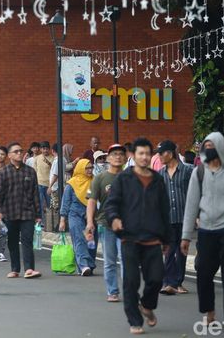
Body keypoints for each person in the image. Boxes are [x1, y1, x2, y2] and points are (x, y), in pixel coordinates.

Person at [104, 137, 172, 335]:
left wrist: (167, 238)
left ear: (152, 156)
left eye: (147, 154)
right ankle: (135, 320)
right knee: (131, 282)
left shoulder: (158, 180)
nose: (144, 157)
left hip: (153, 239)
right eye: (140, 154)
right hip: (130, 239)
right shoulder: (124, 179)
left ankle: (147, 305)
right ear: (133, 156)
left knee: (156, 279)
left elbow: (164, 210)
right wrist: (114, 219)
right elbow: (112, 205)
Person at [181, 132, 224, 328]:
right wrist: (185, 236)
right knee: (203, 273)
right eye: (205, 147)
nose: (207, 150)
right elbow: (191, 204)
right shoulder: (198, 173)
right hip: (206, 231)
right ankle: (209, 310)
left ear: (220, 147)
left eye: (211, 146)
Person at [0, 142, 42, 279]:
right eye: (16, 151)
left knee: (27, 241)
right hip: (9, 213)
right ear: (9, 155)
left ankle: (29, 269)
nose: (19, 153)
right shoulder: (3, 173)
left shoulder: (30, 171)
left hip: (27, 213)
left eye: (21, 151)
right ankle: (15, 269)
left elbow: (35, 194)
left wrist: (38, 214)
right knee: (12, 242)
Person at [87, 143, 127, 302]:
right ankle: (113, 291)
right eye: (114, 154)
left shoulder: (129, 177)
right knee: (110, 261)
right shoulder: (100, 178)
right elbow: (91, 201)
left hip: (126, 226)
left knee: (126, 260)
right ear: (108, 158)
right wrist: (90, 222)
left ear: (125, 158)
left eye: (121, 154)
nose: (118, 156)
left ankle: (128, 291)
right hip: (105, 224)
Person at [157, 140, 192, 296]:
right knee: (169, 250)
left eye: (161, 153)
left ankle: (178, 282)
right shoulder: (160, 174)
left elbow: (194, 195)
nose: (158, 157)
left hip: (185, 217)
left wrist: (196, 215)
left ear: (170, 154)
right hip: (167, 218)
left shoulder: (188, 171)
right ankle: (167, 282)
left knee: (182, 251)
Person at [58, 159, 96, 276]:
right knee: (79, 240)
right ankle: (83, 265)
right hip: (75, 215)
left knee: (91, 242)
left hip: (91, 216)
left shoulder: (95, 181)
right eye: (87, 168)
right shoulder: (72, 183)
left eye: (91, 167)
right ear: (80, 169)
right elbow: (66, 202)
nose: (90, 170)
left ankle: (88, 264)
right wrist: (62, 220)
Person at [33, 141, 53, 221]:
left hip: (49, 185)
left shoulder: (53, 158)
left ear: (49, 149)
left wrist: (49, 163)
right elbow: (34, 171)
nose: (45, 150)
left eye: (47, 149)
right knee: (40, 204)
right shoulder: (37, 158)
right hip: (39, 184)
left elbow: (54, 171)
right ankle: (42, 221)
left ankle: (50, 221)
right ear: (41, 149)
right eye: (43, 149)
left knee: (49, 204)